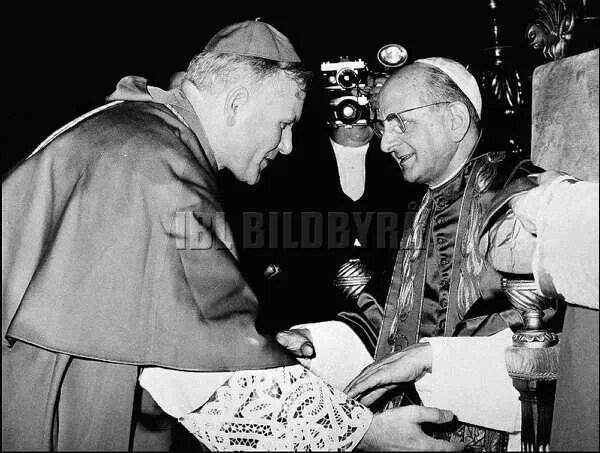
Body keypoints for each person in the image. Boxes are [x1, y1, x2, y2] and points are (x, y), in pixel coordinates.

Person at [2, 20, 460, 452]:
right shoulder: (160, 168)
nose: (287, 147)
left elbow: (165, 327)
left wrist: (255, 346)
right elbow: (203, 369)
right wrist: (359, 433)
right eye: (284, 124)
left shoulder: (136, 133)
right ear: (237, 103)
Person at [282, 56, 569, 451]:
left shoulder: (523, 195)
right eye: (383, 127)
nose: (385, 143)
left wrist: (438, 359)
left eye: (400, 122)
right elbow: (392, 316)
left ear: (455, 119)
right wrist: (315, 341)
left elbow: (549, 332)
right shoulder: (421, 206)